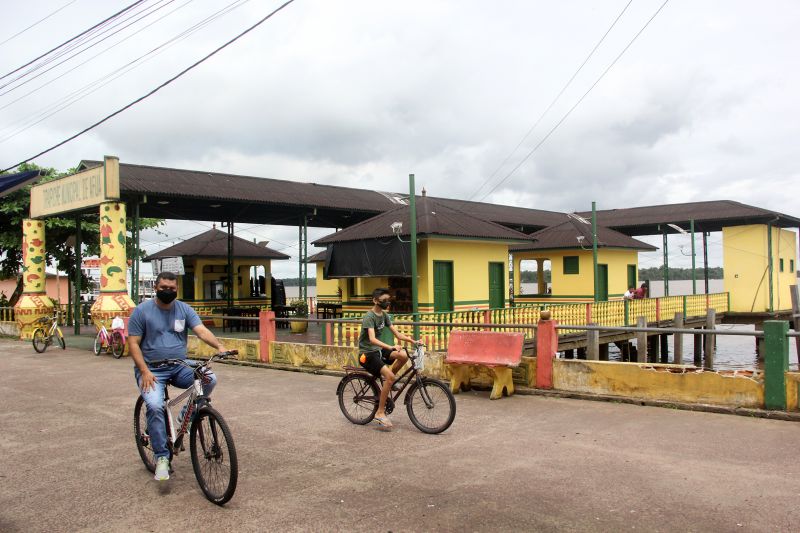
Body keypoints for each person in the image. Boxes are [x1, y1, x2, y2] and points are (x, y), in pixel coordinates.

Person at [128, 271, 227, 481]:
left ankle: (186, 416)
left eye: (172, 289)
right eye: (164, 288)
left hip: (179, 365)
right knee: (155, 406)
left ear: (177, 290)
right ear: (156, 288)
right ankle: (162, 457)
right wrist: (144, 371)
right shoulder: (142, 311)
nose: (168, 291)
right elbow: (133, 343)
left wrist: (219, 346)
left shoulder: (184, 309)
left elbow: (200, 330)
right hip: (152, 370)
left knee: (209, 378)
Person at [358, 288, 418, 429]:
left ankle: (389, 380)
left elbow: (398, 335)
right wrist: (390, 347)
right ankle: (379, 412)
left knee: (403, 355)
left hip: (378, 351)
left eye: (388, 300)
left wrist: (414, 341)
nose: (386, 303)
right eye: (383, 300)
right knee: (390, 376)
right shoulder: (369, 317)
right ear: (375, 301)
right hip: (367, 354)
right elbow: (372, 339)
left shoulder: (384, 315)